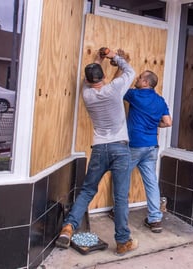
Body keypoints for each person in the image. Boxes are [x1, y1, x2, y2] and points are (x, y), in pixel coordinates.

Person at [55, 48, 138, 256]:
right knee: (120, 197)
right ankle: (122, 242)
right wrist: (113, 57)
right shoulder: (115, 88)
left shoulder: (87, 94)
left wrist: (98, 59)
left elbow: (88, 78)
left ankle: (68, 227)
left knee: (87, 191)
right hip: (120, 148)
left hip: (100, 148)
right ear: (104, 77)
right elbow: (130, 71)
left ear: (88, 80)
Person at [123, 70, 172, 233]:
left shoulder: (135, 95)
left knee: (121, 177)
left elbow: (116, 89)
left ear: (146, 83)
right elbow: (168, 122)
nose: (136, 79)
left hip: (135, 145)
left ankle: (118, 212)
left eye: (140, 78)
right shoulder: (160, 100)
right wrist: (155, 125)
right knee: (151, 183)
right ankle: (155, 219)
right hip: (152, 146)